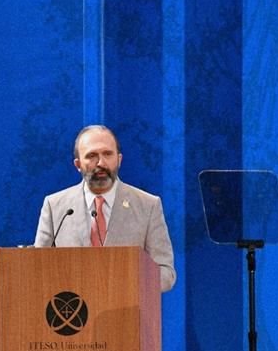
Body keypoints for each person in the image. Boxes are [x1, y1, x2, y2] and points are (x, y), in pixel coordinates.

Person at [34, 124, 176, 292]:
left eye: (107, 154)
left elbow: (166, 274)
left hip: (126, 312)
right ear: (78, 164)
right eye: (92, 156)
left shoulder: (148, 205)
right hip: (72, 311)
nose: (101, 163)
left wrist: (121, 282)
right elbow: (37, 268)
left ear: (119, 159)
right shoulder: (55, 206)